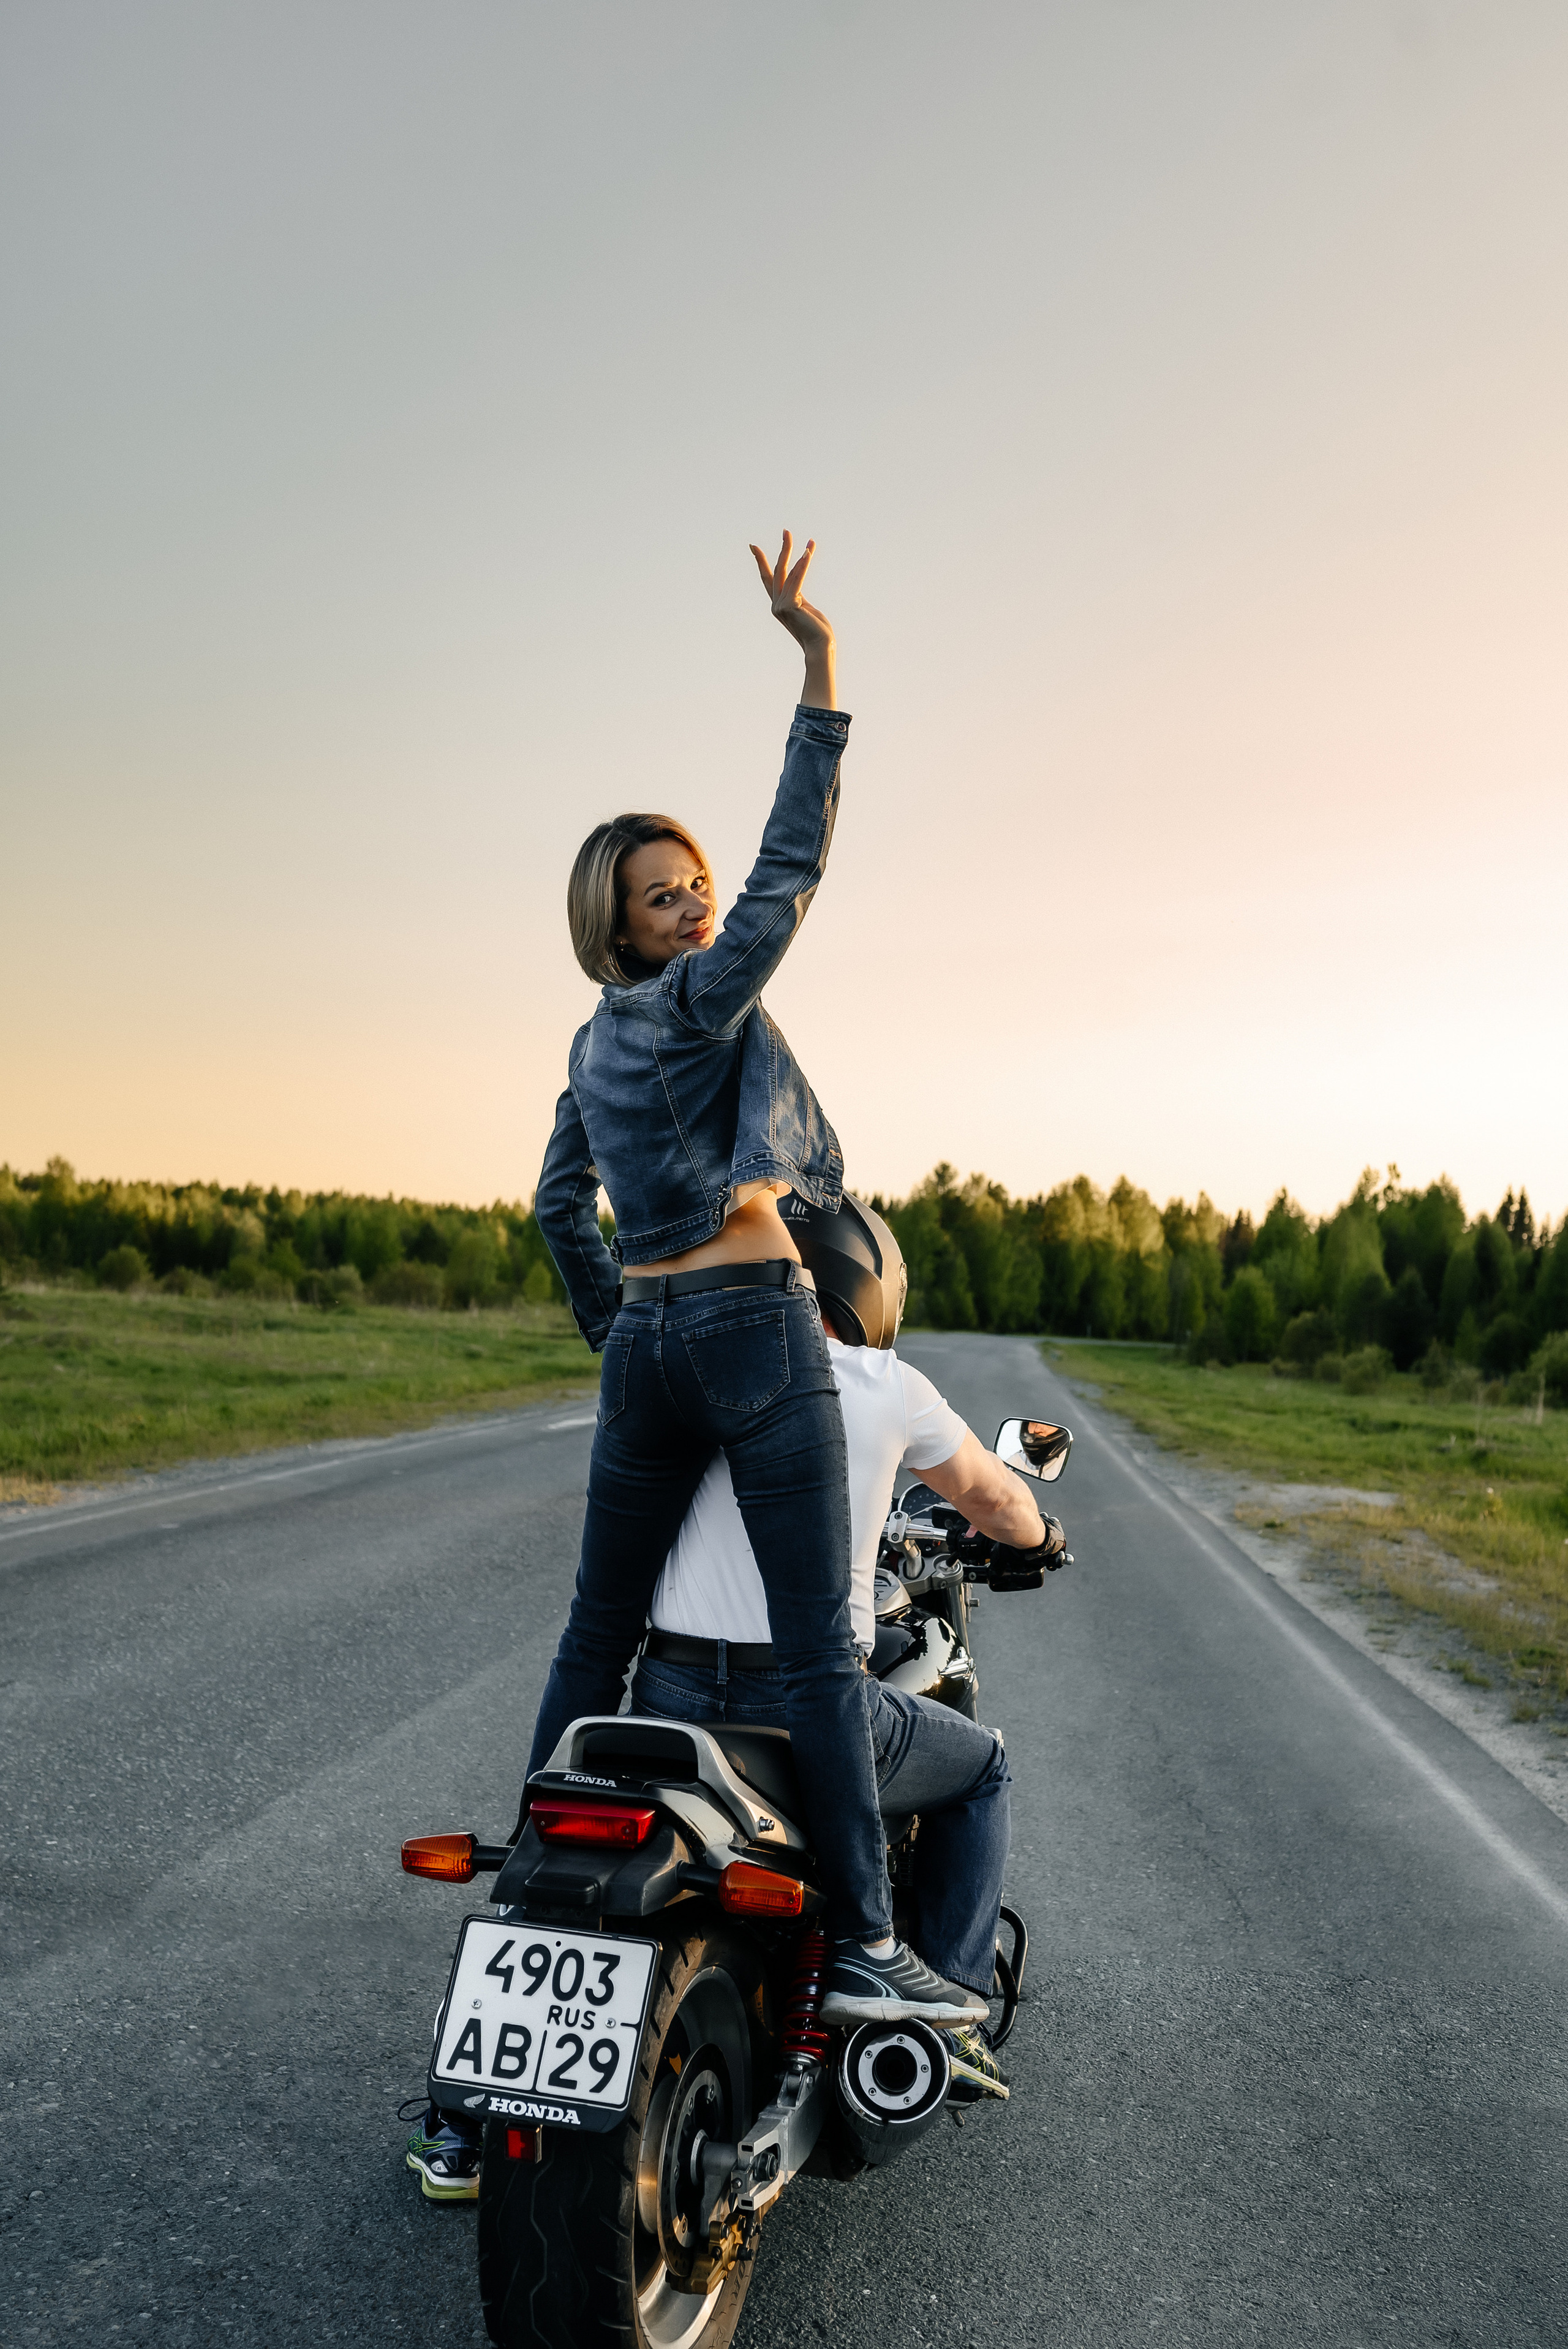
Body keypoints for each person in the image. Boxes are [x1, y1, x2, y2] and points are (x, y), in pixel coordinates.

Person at [526, 534, 977, 2023]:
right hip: (743, 1326)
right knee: (815, 1655)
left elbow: (553, 1206)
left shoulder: (589, 1048)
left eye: (695, 887)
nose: (700, 909)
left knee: (598, 1637)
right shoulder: (699, 1005)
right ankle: (862, 1943)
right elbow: (797, 869)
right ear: (620, 924)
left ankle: (544, 1891)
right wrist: (818, 666)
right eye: (665, 897)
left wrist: (619, 1333)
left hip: (651, 1342)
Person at [629, 1193, 1061, 2102]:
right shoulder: (883, 1383)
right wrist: (1041, 1536)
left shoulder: (688, 1364)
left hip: (660, 1689)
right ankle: (952, 2009)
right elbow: (996, 1499)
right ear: (866, 1286)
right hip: (798, 1702)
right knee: (982, 1768)